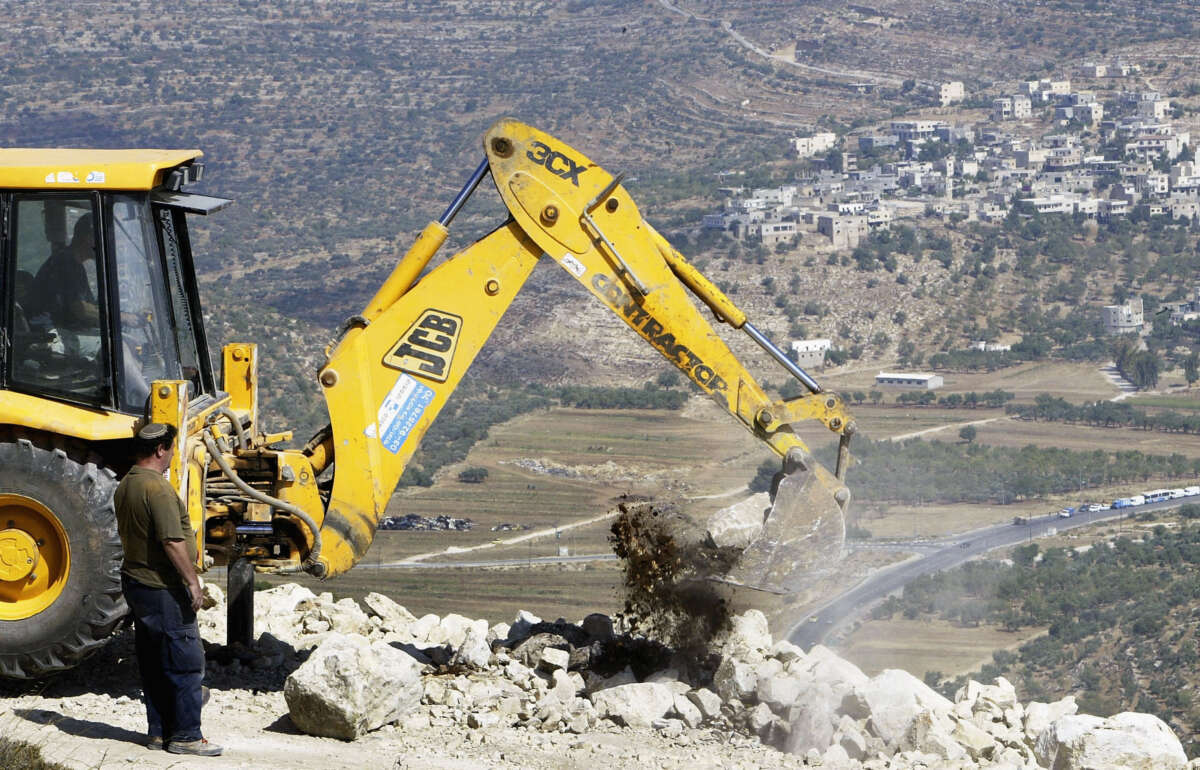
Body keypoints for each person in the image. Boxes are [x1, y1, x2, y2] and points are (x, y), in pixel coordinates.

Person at [115, 423, 222, 756]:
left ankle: (159, 733)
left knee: (154, 661)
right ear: (160, 449)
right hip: (163, 587)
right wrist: (192, 582)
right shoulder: (156, 489)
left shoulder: (126, 485)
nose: (174, 455)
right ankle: (187, 736)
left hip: (138, 585)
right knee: (185, 662)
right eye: (172, 449)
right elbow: (172, 541)